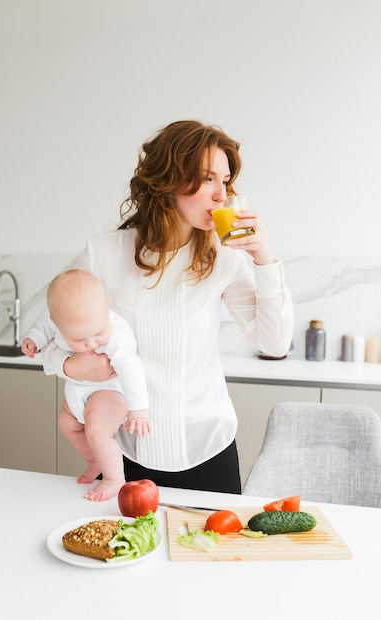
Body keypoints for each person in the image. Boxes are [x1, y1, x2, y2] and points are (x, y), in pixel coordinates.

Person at [42, 120, 294, 495]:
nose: (220, 195)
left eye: (224, 182)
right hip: (125, 453)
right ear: (169, 180)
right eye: (208, 179)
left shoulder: (225, 256)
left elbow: (274, 344)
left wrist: (265, 261)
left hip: (209, 450)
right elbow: (44, 333)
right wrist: (64, 363)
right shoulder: (103, 254)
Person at [21, 269, 150, 501]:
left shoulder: (117, 333)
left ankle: (114, 479)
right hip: (77, 389)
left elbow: (131, 367)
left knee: (97, 430)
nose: (91, 343)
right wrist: (35, 339)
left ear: (107, 306)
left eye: (98, 334)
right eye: (80, 340)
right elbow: (44, 325)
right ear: (57, 322)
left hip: (109, 391)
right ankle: (94, 460)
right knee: (66, 423)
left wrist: (138, 408)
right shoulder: (58, 317)